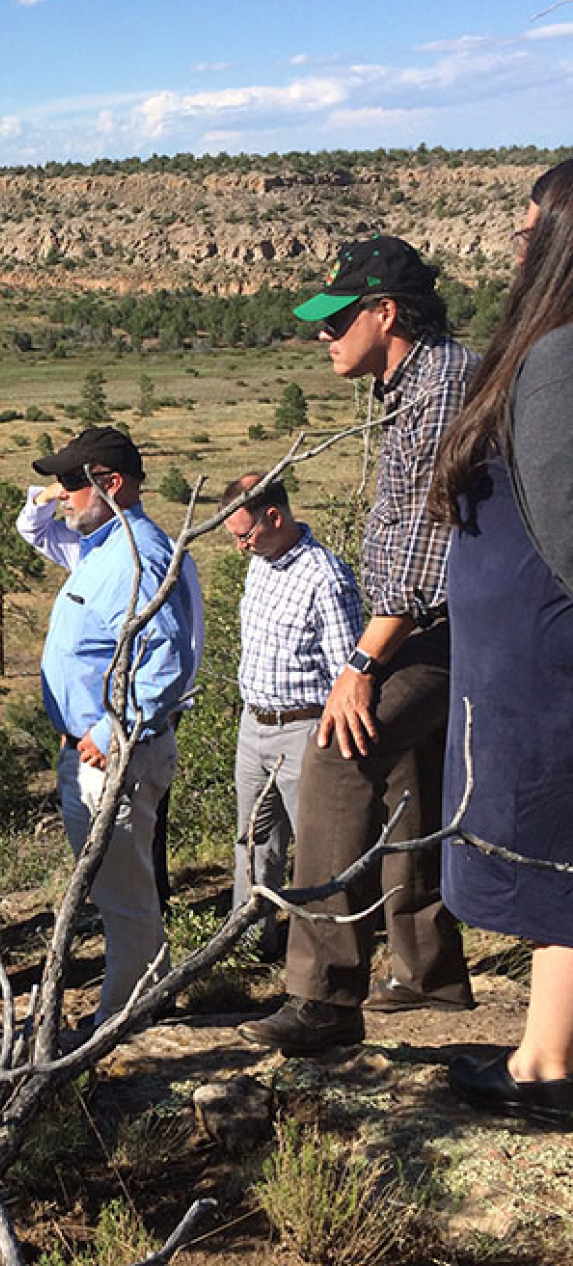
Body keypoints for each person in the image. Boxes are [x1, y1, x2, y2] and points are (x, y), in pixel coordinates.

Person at [240, 235, 477, 1056]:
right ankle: (428, 971)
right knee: (402, 766)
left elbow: (419, 559)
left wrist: (361, 666)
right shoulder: (417, 382)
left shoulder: (441, 389)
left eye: (338, 317)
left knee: (337, 753)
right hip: (443, 623)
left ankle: (322, 999)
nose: (323, 333)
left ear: (386, 313)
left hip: (453, 626)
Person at [431, 159, 573, 1125]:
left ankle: (550, 1070)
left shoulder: (558, 356)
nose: (513, 246)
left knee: (557, 849)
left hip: (547, 666)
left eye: (529, 231)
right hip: (531, 659)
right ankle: (543, 1052)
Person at [17, 426, 197, 1028]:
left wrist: (111, 730)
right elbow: (37, 528)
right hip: (97, 752)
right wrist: (49, 499)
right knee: (127, 889)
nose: (61, 494)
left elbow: (171, 658)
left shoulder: (138, 557)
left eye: (72, 483)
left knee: (122, 900)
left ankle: (119, 1022)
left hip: (112, 755)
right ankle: (154, 990)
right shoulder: (103, 546)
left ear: (111, 484)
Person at [221, 473, 362, 960]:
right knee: (253, 843)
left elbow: (349, 670)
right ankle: (248, 947)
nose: (240, 547)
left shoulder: (326, 577)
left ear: (274, 517)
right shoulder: (261, 563)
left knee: (319, 848)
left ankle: (324, 955)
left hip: (306, 729)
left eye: (245, 534)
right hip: (253, 725)